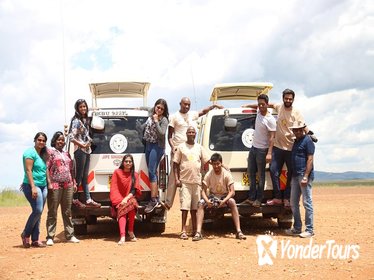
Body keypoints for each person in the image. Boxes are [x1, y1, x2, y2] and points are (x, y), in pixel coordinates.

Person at [165, 97, 223, 210]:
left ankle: (202, 200)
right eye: (185, 104)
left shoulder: (192, 115)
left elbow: (203, 112)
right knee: (174, 175)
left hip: (191, 148)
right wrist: (173, 147)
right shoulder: (174, 117)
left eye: (188, 105)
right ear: (180, 104)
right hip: (179, 149)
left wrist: (213, 106)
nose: (186, 106)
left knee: (198, 171)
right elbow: (169, 136)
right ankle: (168, 203)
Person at [192, 153, 246, 241]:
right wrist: (207, 201)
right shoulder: (209, 175)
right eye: (214, 164)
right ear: (212, 164)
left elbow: (232, 192)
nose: (216, 166)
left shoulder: (227, 174)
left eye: (218, 164)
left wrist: (224, 201)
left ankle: (239, 231)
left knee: (232, 202)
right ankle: (198, 232)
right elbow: (203, 191)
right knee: (200, 203)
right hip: (212, 197)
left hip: (224, 197)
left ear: (221, 163)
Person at [173, 126, 210, 239]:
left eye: (193, 132)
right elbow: (175, 164)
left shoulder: (199, 148)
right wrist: (176, 179)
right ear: (186, 134)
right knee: (185, 207)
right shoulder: (181, 147)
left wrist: (222, 166)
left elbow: (207, 161)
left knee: (195, 208)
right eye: (189, 132)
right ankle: (183, 230)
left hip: (197, 182)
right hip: (185, 182)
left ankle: (195, 230)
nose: (191, 133)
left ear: (195, 134)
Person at [45, 131, 80, 246]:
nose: (61, 141)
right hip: (55, 185)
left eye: (62, 140)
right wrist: (49, 183)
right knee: (52, 211)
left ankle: (70, 235)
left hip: (68, 185)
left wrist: (74, 182)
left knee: (67, 211)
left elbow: (71, 170)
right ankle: (50, 236)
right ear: (54, 141)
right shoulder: (50, 153)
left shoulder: (67, 154)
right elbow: (47, 168)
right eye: (59, 139)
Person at [242, 94, 276, 207]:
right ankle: (251, 197)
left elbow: (272, 137)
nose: (261, 106)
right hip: (253, 148)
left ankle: (259, 198)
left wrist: (269, 153)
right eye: (259, 104)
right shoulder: (258, 111)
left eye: (263, 104)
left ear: (267, 104)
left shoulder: (270, 119)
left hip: (262, 150)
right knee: (251, 172)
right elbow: (256, 105)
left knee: (261, 175)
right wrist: (246, 105)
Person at [285, 121, 315, 238]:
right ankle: (297, 228)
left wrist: (306, 176)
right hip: (295, 175)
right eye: (295, 130)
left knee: (307, 203)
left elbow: (310, 160)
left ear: (303, 129)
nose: (297, 131)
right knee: (293, 203)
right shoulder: (296, 142)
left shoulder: (308, 141)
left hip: (303, 175)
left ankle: (309, 229)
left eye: (299, 129)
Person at [69, 99, 101, 208]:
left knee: (85, 177)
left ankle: (88, 199)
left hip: (87, 151)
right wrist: (82, 145)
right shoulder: (76, 121)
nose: (83, 109)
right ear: (77, 109)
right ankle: (74, 199)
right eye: (81, 107)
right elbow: (71, 137)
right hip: (80, 151)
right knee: (79, 177)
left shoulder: (85, 119)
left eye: (85, 107)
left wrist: (94, 109)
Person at [139, 99, 169, 213]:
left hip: (157, 146)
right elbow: (146, 108)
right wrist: (137, 109)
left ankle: (153, 199)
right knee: (152, 171)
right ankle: (155, 197)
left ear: (164, 110)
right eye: (158, 107)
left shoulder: (164, 120)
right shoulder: (152, 112)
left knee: (152, 172)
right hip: (148, 144)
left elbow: (162, 133)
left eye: (162, 108)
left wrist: (156, 121)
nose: (159, 110)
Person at [21, 132, 50, 248]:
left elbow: (46, 170)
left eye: (43, 140)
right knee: (37, 210)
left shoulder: (44, 154)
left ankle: (35, 239)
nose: (41, 142)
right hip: (32, 186)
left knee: (38, 212)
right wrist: (33, 187)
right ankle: (25, 234)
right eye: (39, 140)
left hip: (43, 186)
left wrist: (49, 183)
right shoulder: (29, 153)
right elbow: (28, 171)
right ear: (35, 140)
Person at [110, 154, 142, 245]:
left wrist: (126, 199)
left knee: (131, 206)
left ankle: (130, 231)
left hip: (130, 198)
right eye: (126, 161)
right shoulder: (117, 172)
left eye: (130, 161)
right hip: (119, 198)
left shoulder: (135, 175)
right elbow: (114, 188)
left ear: (132, 163)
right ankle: (123, 236)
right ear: (123, 163)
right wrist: (121, 200)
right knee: (122, 209)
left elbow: (134, 190)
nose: (128, 163)